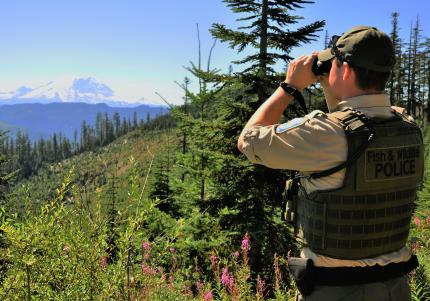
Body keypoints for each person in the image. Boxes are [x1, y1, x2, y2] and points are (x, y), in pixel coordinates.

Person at [237, 25, 424, 301]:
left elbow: (248, 141)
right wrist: (331, 86)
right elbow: (351, 128)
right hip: (394, 288)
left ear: (346, 70)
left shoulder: (326, 134)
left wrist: (289, 87)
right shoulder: (409, 128)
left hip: (336, 291)